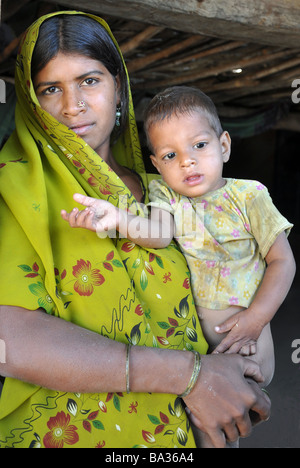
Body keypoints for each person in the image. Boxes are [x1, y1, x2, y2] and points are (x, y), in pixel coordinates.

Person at [0, 12, 271, 449]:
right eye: (51, 89)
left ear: (119, 87)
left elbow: (234, 284)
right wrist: (192, 376)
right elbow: (7, 337)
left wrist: (236, 372)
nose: (73, 106)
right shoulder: (10, 191)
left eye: (90, 81)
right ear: (31, 101)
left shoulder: (169, 191)